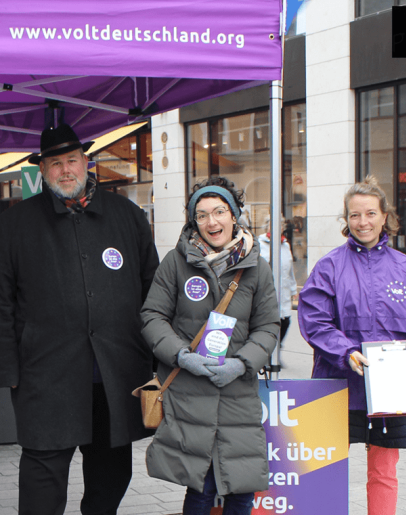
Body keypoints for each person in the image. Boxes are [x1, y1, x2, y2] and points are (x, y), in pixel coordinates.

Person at [0, 124, 160, 515]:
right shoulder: (15, 224)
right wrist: (5, 369)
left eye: (72, 160)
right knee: (42, 481)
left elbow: (154, 292)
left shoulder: (127, 216)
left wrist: (158, 362)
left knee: (112, 475)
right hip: (45, 375)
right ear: (42, 170)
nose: (66, 170)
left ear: (86, 162)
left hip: (117, 374)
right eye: (55, 163)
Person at [298, 176, 406, 515]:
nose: (363, 222)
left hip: (394, 389)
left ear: (384, 216)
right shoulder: (329, 267)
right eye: (354, 215)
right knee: (327, 470)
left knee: (384, 472)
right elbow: (314, 320)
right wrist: (345, 351)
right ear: (346, 220)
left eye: (370, 214)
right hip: (338, 384)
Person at [141, 176, 279, 515]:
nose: (211, 221)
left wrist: (242, 362)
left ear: (234, 216)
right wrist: (181, 356)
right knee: (202, 488)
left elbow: (269, 326)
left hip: (237, 393)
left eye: (219, 212)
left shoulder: (256, 268)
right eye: (201, 215)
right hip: (190, 392)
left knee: (242, 488)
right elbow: (152, 316)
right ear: (193, 221)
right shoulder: (175, 263)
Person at [257, 228, 296, 344]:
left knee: (285, 322)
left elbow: (290, 269)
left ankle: (276, 350)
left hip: (284, 291)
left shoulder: (286, 245)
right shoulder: (260, 244)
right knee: (270, 324)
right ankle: (270, 354)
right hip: (267, 292)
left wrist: (293, 289)